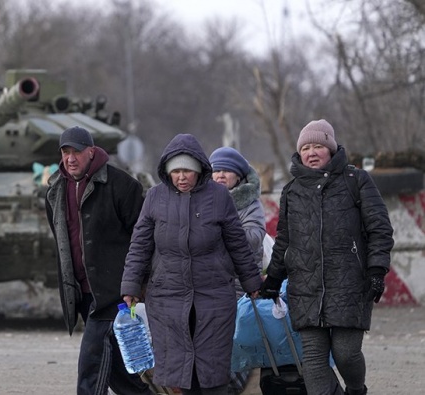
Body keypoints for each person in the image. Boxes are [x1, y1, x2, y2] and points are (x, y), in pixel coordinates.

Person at [121, 133, 263, 395]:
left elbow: (237, 244)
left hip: (213, 297)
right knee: (181, 373)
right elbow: (140, 245)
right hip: (168, 298)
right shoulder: (155, 198)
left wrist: (252, 282)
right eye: (176, 171)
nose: (182, 176)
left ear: (199, 170)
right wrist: (130, 285)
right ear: (167, 172)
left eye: (187, 170)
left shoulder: (219, 197)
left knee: (213, 373)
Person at [260, 119, 394, 395]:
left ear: (331, 149)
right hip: (305, 287)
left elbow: (379, 228)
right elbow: (284, 240)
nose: (311, 152)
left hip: (349, 284)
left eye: (318, 146)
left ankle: (356, 389)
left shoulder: (356, 181)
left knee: (346, 353)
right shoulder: (291, 191)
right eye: (306, 147)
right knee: (313, 361)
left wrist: (377, 271)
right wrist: (273, 279)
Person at [45, 126, 152, 395]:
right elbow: (62, 243)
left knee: (91, 364)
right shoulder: (55, 191)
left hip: (115, 292)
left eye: (77, 152)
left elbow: (144, 239)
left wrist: (139, 284)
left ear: (91, 152)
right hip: (81, 293)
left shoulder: (122, 185)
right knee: (119, 370)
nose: (70, 158)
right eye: (65, 152)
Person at [209, 146, 266, 394]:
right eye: (216, 170)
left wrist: (217, 229)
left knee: (231, 344)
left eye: (226, 171)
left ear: (238, 177)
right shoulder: (201, 200)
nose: (220, 175)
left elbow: (253, 236)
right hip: (206, 283)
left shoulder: (250, 204)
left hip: (238, 286)